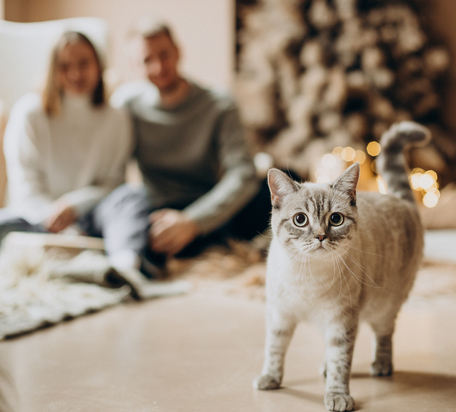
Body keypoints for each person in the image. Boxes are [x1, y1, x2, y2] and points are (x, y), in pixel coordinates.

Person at [111, 21, 270, 272]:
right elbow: (111, 167)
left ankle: (203, 241)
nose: (159, 66)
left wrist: (192, 222)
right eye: (146, 60)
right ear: (133, 66)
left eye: (164, 54)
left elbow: (243, 174)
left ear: (178, 51)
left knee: (276, 187)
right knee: (125, 215)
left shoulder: (219, 104)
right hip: (157, 212)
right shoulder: (125, 105)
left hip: (209, 208)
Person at [1, 31, 132, 244]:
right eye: (65, 66)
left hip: (92, 218)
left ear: (99, 65)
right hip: (34, 218)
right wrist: (57, 219)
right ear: (53, 70)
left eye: (83, 64)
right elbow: (24, 188)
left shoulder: (117, 118)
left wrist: (74, 206)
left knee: (131, 202)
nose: (75, 74)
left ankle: (125, 261)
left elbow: (114, 185)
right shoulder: (29, 114)